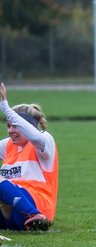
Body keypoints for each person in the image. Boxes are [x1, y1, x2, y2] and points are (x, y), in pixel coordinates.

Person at [0, 83, 56, 232]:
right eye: (8, 126)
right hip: (11, 213)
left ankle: (34, 215)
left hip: (38, 207)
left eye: (16, 125)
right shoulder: (8, 145)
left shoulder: (45, 141)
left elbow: (35, 136)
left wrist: (6, 108)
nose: (11, 131)